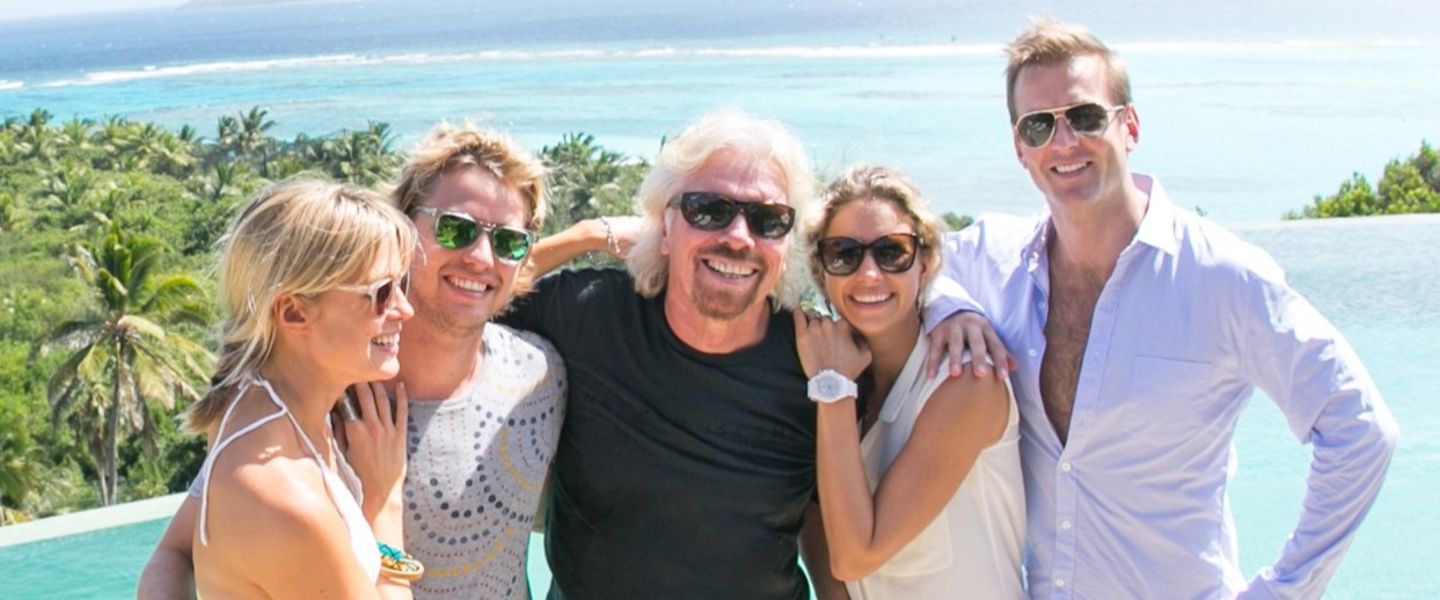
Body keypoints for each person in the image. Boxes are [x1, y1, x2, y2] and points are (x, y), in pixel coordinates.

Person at [923, 18, 1400, 598]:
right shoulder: (991, 260)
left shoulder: (1222, 276)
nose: (1065, 141)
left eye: (1086, 117)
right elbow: (906, 267)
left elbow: (1362, 428)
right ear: (1020, 148)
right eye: (1040, 125)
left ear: (1130, 127)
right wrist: (950, 307)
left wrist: (1283, 591)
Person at [138, 124, 567, 600]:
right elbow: (177, 552)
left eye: (510, 241)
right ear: (407, 229)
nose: (482, 257)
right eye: (456, 229)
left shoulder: (540, 378)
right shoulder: (310, 411)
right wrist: (383, 499)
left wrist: (588, 237)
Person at [502, 111, 838, 599]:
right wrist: (588, 235)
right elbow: (472, 290)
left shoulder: (818, 362)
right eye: (709, 210)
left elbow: (836, 531)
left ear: (788, 244)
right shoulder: (591, 315)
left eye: (769, 220)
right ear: (663, 225)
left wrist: (960, 315)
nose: (740, 237)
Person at [794, 165, 1024, 600]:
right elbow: (827, 547)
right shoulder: (825, 372)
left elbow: (855, 556)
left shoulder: (967, 381)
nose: (868, 274)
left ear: (926, 263)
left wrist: (833, 388)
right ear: (821, 272)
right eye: (844, 253)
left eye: (892, 252)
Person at [184, 180, 418, 598]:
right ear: (293, 312)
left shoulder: (248, 405)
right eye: (381, 293)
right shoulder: (289, 498)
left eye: (403, 284)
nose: (405, 308)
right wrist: (384, 499)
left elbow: (171, 552)